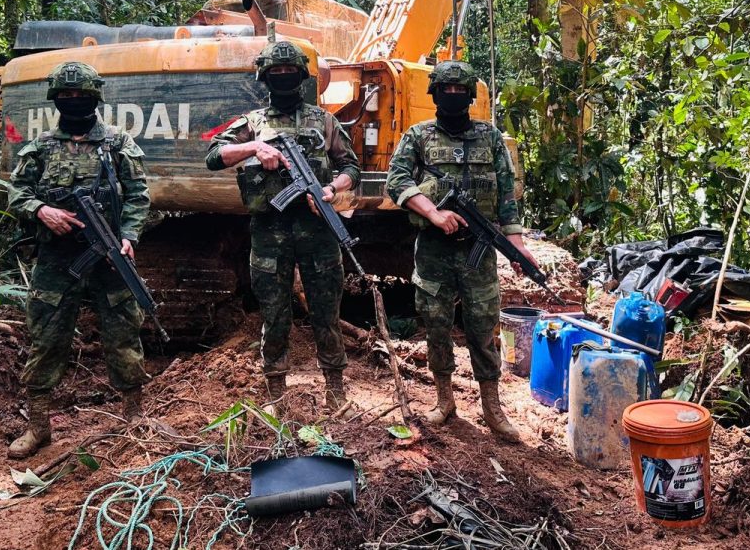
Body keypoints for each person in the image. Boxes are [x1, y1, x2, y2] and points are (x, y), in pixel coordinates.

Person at [384, 60, 536, 443]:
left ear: (470, 96)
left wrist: (516, 248)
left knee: (483, 328)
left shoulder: (490, 137)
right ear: (434, 94)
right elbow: (396, 180)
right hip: (434, 250)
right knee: (435, 324)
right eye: (445, 91)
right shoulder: (417, 136)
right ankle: (444, 400)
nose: (452, 97)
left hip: (479, 250)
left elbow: (506, 195)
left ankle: (492, 407)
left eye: (459, 91)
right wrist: (433, 213)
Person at [205, 40, 361, 413]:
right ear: (265, 77)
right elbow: (214, 155)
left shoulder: (324, 121)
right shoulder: (253, 123)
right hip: (270, 235)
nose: (283, 78)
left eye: (290, 72)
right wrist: (255, 148)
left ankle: (336, 391)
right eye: (276, 73)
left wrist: (329, 189)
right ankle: (276, 395)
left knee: (326, 312)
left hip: (319, 233)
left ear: (302, 77)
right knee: (274, 316)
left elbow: (352, 168)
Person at [6, 61, 151, 459]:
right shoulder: (39, 149)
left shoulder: (118, 145)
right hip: (56, 259)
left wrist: (128, 236)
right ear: (56, 100)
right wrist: (41, 211)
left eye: (80, 96)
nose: (73, 102)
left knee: (123, 334)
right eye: (66, 96)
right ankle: (38, 428)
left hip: (108, 257)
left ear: (95, 99)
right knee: (46, 338)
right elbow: (16, 194)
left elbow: (139, 195)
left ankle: (133, 420)